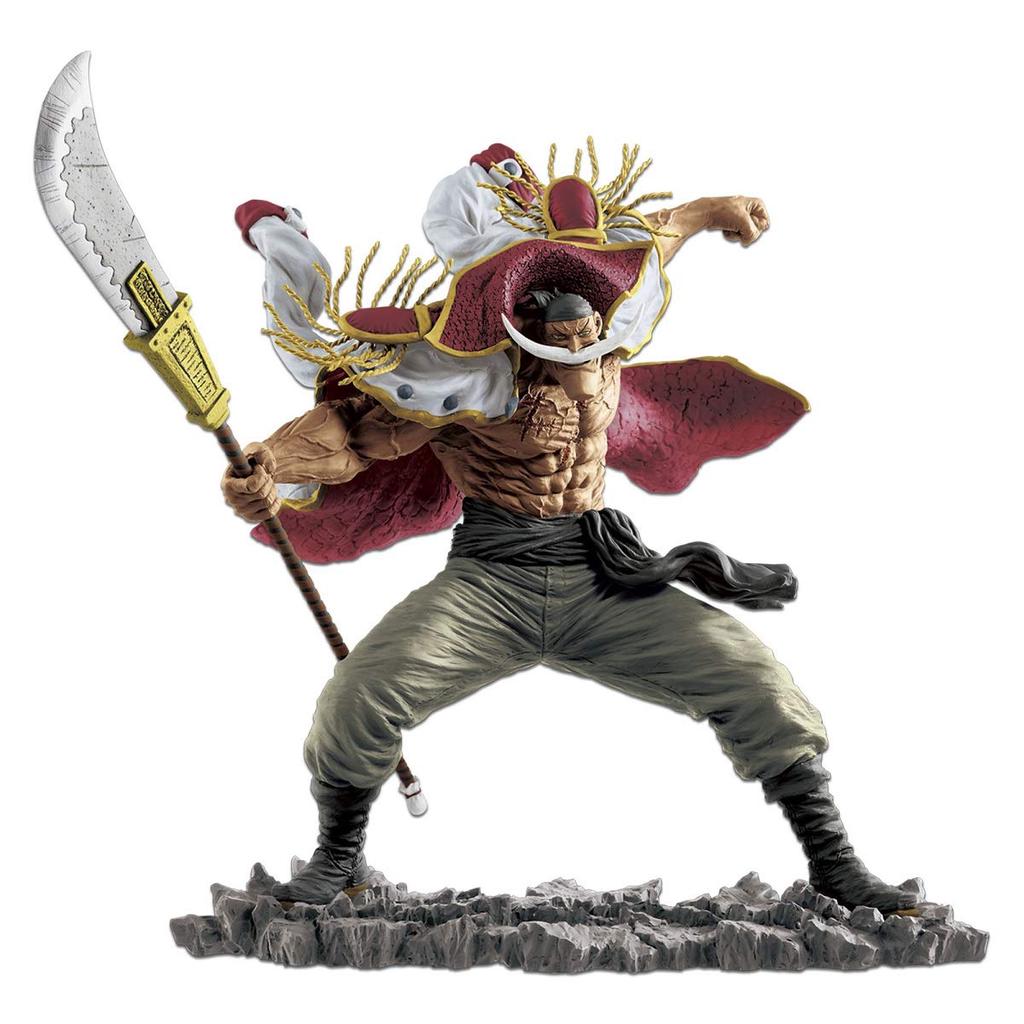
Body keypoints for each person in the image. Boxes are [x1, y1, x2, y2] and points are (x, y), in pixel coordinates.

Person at [223, 142, 918, 914]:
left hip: (599, 576)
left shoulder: (618, 318)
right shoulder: (461, 377)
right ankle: (338, 860)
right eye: (562, 338)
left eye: (589, 330)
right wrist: (271, 465)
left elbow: (659, 238)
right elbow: (351, 436)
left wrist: (713, 212)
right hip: (491, 583)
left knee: (756, 682)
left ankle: (836, 865)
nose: (581, 347)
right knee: (358, 700)